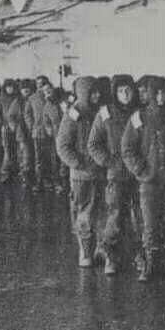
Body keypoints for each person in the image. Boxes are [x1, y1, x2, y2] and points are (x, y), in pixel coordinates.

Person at [122, 76, 165, 281]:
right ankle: (150, 263)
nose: (161, 96)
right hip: (149, 182)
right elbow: (127, 149)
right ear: (150, 94)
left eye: (163, 92)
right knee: (150, 222)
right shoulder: (138, 117)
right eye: (157, 92)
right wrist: (141, 170)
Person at [88, 75, 140, 275]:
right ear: (114, 93)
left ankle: (139, 253)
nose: (125, 94)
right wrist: (109, 162)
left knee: (139, 215)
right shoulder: (105, 113)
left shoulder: (138, 112)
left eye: (128, 90)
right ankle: (107, 251)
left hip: (137, 172)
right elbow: (93, 144)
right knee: (116, 214)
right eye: (120, 91)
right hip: (116, 173)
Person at [57, 76, 103, 267]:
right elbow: (63, 145)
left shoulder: (100, 112)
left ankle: (101, 248)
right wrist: (79, 163)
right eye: (93, 92)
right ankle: (85, 250)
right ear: (84, 93)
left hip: (100, 172)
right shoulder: (74, 114)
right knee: (84, 213)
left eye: (98, 92)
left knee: (102, 213)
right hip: (81, 176)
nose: (97, 95)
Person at [25, 76, 51, 191]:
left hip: (51, 133)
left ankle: (50, 181)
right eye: (38, 83)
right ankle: (40, 181)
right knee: (39, 159)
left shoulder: (51, 96)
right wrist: (32, 126)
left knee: (51, 158)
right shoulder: (32, 98)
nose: (40, 85)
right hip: (38, 132)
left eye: (42, 83)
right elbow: (27, 114)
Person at [0, 78, 19, 183]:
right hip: (6, 128)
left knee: (17, 151)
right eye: (8, 87)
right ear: (5, 88)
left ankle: (14, 172)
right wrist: (1, 123)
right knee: (8, 151)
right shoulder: (0, 99)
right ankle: (5, 172)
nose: (10, 89)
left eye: (12, 86)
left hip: (17, 128)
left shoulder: (17, 98)